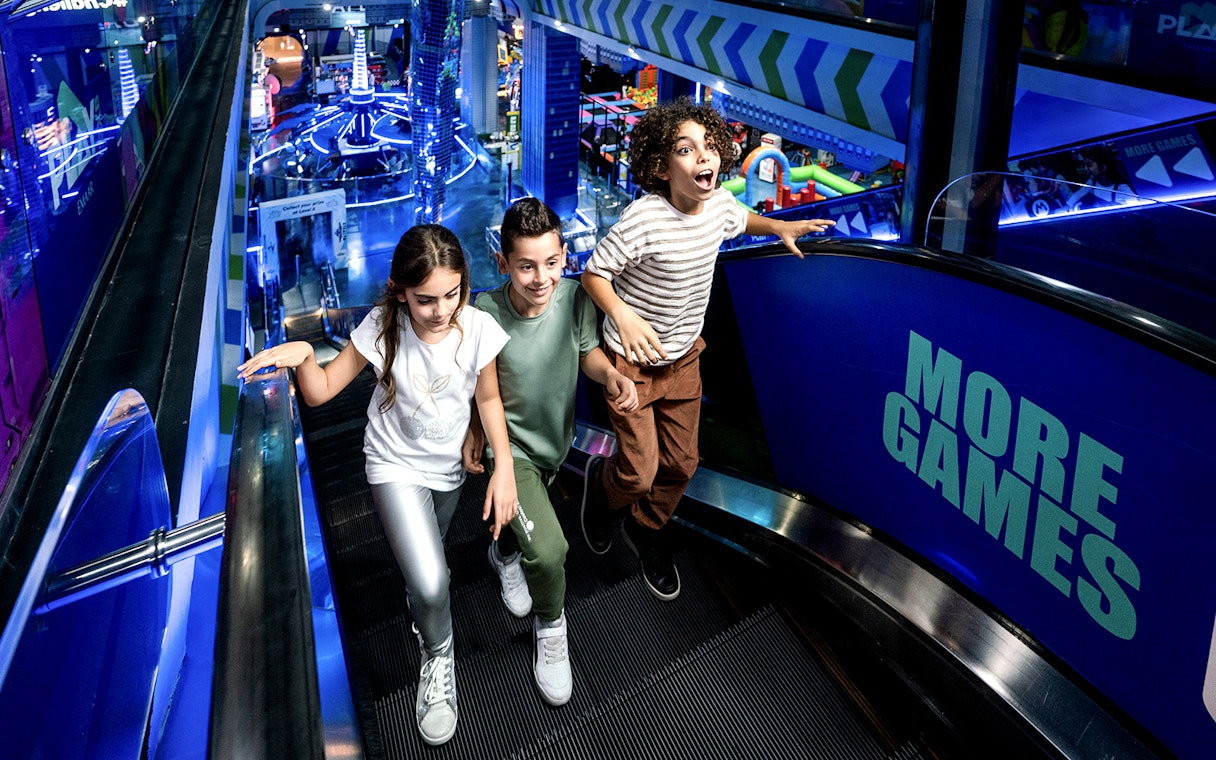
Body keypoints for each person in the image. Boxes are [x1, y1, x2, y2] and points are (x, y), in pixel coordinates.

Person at [238, 224, 517, 747]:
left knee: (425, 566)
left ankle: (424, 609)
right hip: (392, 465)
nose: (440, 310)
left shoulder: (476, 327)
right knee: (434, 582)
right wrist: (302, 356)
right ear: (398, 290)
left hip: (447, 471)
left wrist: (502, 462)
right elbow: (321, 393)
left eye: (452, 294)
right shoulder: (381, 327)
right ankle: (439, 655)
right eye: (425, 299)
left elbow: (488, 400)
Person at [578, 98, 834, 601]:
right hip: (630, 368)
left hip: (685, 359)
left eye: (710, 146)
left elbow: (738, 217)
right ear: (659, 166)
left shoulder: (717, 205)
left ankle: (648, 528)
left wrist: (779, 226)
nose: (705, 158)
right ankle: (602, 493)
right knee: (639, 471)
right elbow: (593, 273)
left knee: (682, 465)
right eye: (686, 149)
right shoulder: (642, 220)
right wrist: (623, 316)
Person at [467, 197, 638, 706]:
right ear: (503, 264)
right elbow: (485, 390)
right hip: (511, 451)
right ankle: (551, 628)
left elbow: (588, 353)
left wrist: (610, 376)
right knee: (552, 551)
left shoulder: (574, 299)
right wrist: (483, 437)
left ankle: (502, 554)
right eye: (525, 266)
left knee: (523, 530)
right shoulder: (484, 313)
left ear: (564, 255)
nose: (540, 277)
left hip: (555, 444)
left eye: (551, 262)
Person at [1066, 144, 1132, 210]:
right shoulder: (1092, 183)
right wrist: (1067, 207)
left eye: (1089, 165)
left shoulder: (1122, 188)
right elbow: (1078, 195)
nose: (1086, 169)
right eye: (1084, 166)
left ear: (1103, 167)